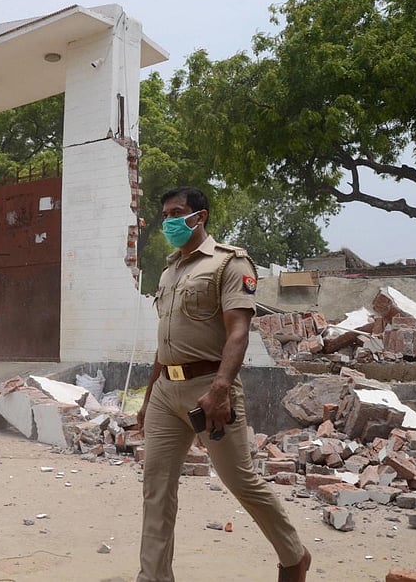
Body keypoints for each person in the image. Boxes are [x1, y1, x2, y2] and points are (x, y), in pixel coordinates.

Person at [137, 186, 310, 582]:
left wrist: (220, 390)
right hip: (166, 390)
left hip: (209, 389)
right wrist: (147, 400)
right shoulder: (169, 271)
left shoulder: (229, 263)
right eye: (165, 215)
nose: (169, 222)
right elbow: (164, 343)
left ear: (200, 217)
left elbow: (238, 333)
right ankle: (153, 577)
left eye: (177, 213)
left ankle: (293, 555)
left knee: (240, 480)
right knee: (156, 489)